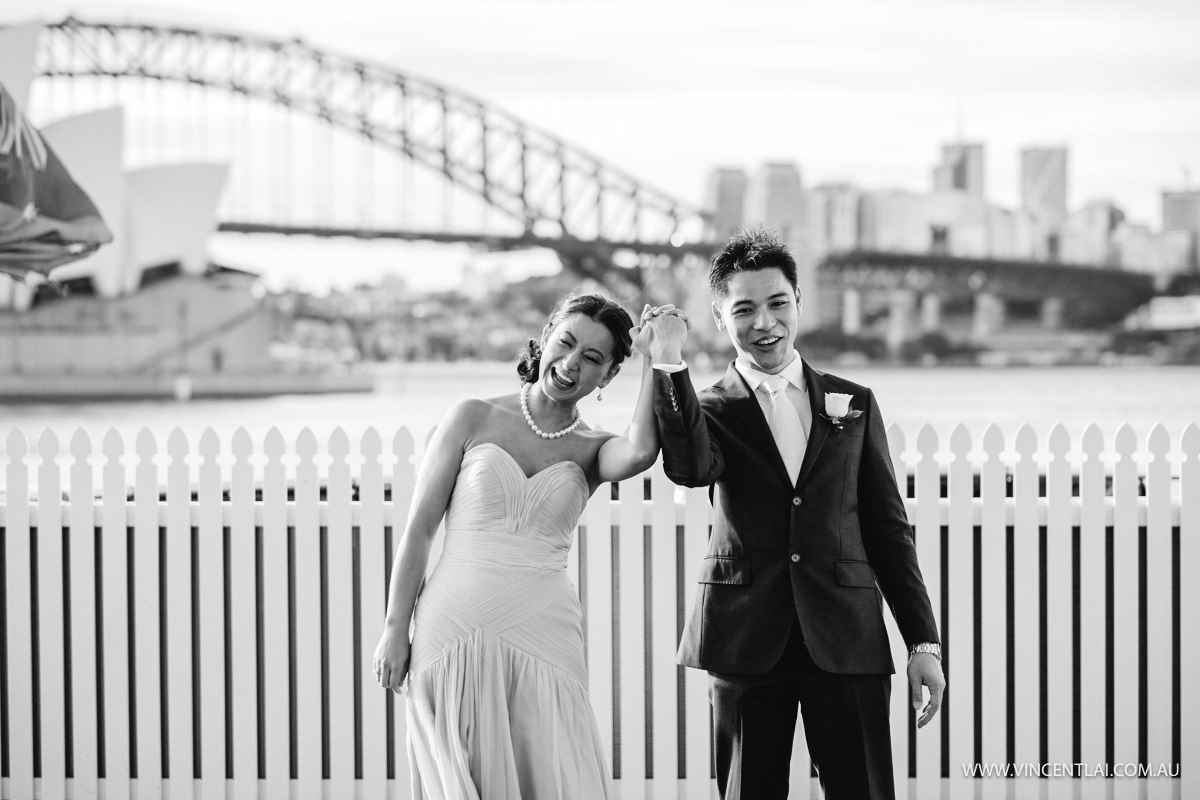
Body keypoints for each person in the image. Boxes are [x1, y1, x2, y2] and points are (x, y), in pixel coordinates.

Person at [640, 227, 946, 800]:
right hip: (746, 637)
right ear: (720, 315)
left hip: (847, 635)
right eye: (745, 310)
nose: (765, 324)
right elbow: (687, 467)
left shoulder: (852, 402)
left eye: (778, 304)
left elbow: (888, 530)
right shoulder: (707, 409)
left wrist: (922, 644)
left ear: (798, 302)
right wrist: (668, 360)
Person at [373, 292, 664, 799]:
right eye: (566, 343)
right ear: (546, 335)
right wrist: (395, 628)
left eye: (593, 358)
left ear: (610, 375)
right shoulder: (472, 417)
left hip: (544, 635)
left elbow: (641, 449)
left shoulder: (595, 448)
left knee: (555, 775)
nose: (572, 364)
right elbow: (420, 529)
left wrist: (656, 360)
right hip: (452, 629)